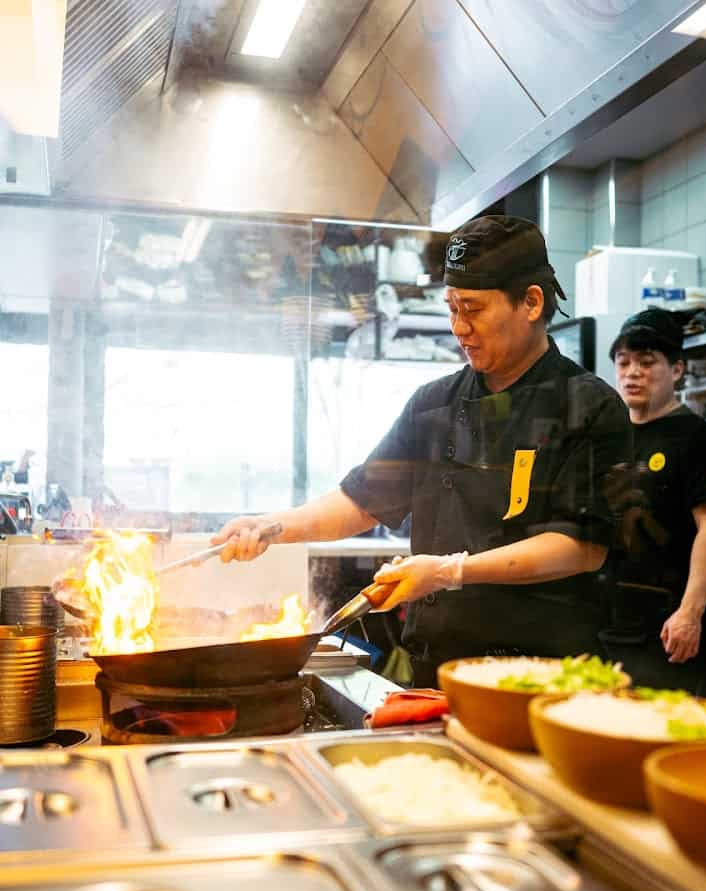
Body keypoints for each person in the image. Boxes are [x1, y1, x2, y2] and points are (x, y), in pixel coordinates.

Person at [213, 216, 631, 687]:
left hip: (542, 681)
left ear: (531, 302)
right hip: (436, 673)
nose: (459, 327)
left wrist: (449, 571)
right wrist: (272, 527)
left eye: (472, 308)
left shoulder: (589, 407)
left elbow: (579, 548)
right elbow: (360, 501)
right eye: (452, 308)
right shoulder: (434, 404)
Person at [602, 308, 706, 697]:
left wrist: (690, 613)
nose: (632, 373)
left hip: (667, 627)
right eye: (623, 363)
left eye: (647, 362)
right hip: (608, 621)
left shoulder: (700, 440)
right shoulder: (607, 436)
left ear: (677, 370)